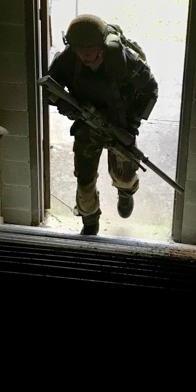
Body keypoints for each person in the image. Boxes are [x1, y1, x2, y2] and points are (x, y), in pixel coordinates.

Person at [46, 14, 158, 236]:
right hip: (87, 124)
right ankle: (89, 219)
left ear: (102, 45)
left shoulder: (122, 59)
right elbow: (49, 88)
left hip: (120, 124)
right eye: (79, 48)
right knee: (84, 178)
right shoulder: (68, 60)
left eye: (91, 48)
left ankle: (125, 193)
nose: (85, 54)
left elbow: (150, 89)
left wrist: (133, 122)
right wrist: (64, 106)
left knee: (125, 174)